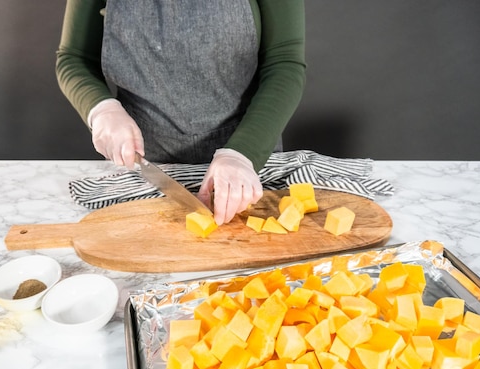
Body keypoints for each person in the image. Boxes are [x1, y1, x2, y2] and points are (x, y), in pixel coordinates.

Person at [56, 0, 306, 225]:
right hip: (144, 169)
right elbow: (74, 57)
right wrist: (102, 109)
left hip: (247, 166)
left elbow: (284, 62)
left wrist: (243, 153)